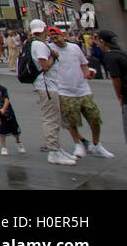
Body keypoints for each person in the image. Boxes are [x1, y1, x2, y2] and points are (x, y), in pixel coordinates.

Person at [48, 25, 114, 160]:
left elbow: (83, 63)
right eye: (52, 38)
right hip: (64, 90)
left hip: (83, 89)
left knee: (94, 118)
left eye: (57, 36)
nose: (55, 40)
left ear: (63, 35)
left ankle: (96, 144)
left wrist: (86, 74)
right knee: (72, 121)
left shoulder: (74, 47)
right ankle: (78, 144)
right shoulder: (50, 49)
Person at [28, 19, 75, 166]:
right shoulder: (40, 45)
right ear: (43, 29)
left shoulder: (35, 44)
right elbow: (45, 66)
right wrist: (53, 56)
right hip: (47, 86)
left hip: (47, 86)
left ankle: (56, 149)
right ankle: (53, 151)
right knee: (51, 119)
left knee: (54, 118)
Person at [96, 30, 127, 173]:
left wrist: (119, 96)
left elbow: (116, 79)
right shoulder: (122, 54)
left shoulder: (111, 56)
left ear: (103, 42)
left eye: (98, 40)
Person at [0, 69, 26, 156]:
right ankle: (4, 147)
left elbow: (7, 101)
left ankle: (18, 142)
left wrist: (3, 109)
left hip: (9, 113)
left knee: (15, 129)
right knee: (2, 130)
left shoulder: (2, 89)